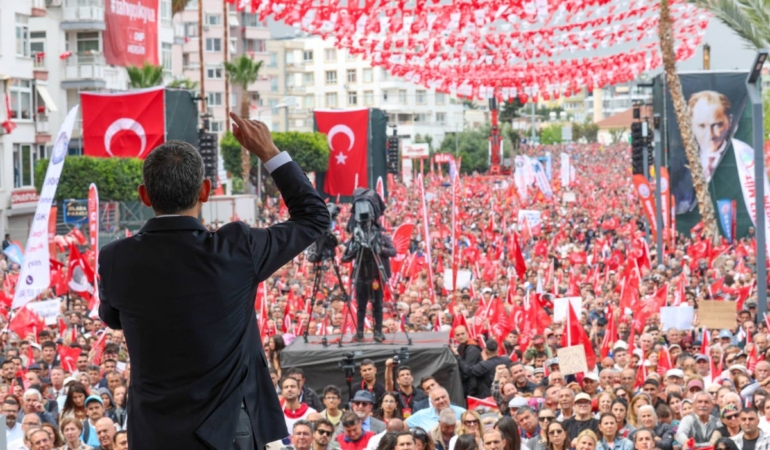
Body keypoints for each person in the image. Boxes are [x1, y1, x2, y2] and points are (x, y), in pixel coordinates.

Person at [97, 115, 330, 449]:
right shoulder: (237, 249)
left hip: (154, 433)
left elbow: (112, 317)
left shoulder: (116, 257)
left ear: (144, 196)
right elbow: (314, 217)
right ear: (205, 191)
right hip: (226, 431)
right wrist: (269, 152)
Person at [341, 188, 396, 342]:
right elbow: (345, 258)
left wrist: (381, 249)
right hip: (361, 276)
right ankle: (359, 332)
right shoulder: (356, 237)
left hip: (376, 275)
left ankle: (378, 331)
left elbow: (393, 251)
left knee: (377, 304)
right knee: (361, 305)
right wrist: (355, 247)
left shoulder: (381, 237)